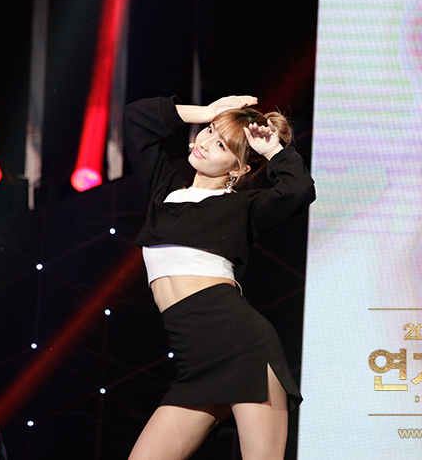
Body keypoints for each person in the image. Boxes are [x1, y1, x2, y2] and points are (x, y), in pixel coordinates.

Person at [122, 94, 316, 460]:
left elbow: (299, 189)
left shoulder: (242, 207)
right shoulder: (165, 194)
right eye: (210, 131)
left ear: (239, 169)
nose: (206, 142)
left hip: (241, 346)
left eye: (222, 144)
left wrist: (273, 151)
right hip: (194, 361)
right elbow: (136, 118)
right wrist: (206, 112)